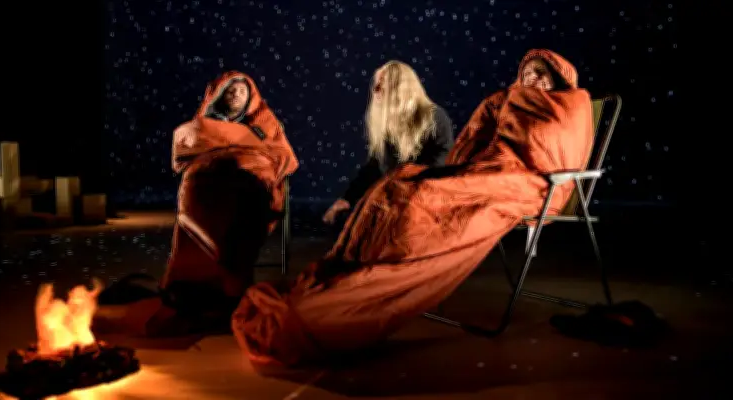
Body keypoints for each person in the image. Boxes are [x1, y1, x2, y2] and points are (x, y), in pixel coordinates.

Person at [231, 49, 595, 367]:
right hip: (488, 171)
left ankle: (373, 286)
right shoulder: (504, 101)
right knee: (395, 185)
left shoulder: (569, 107)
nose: (532, 78)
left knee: (416, 195)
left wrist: (449, 177)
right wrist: (351, 196)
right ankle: (352, 273)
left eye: (541, 73)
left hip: (530, 183)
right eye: (527, 72)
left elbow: (543, 149)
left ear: (559, 78)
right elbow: (389, 163)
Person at [94, 71, 298, 336]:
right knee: (197, 187)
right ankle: (195, 284)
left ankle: (230, 281)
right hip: (207, 178)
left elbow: (281, 155)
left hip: (248, 179)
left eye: (242, 91)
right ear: (218, 95)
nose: (236, 95)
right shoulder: (203, 123)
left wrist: (245, 151)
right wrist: (229, 142)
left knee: (243, 200)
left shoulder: (265, 123)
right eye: (230, 90)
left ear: (252, 97)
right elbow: (187, 140)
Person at [322, 60, 454, 225]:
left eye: (382, 84)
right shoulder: (389, 125)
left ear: (401, 88)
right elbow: (375, 166)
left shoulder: (435, 118)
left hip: (425, 202)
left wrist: (404, 190)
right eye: (376, 84)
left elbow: (440, 167)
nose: (376, 90)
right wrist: (347, 198)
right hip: (397, 201)